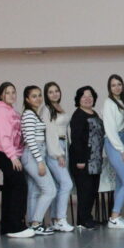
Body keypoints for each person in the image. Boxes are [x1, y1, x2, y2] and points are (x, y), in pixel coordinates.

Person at [0, 82, 34, 238]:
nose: (11, 95)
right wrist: (13, 157)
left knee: (10, 188)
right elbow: (3, 136)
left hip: (9, 152)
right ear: (1, 95)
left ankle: (7, 226)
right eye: (7, 92)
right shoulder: (1, 110)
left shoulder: (10, 110)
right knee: (19, 185)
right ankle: (16, 226)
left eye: (13, 92)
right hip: (5, 153)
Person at [20, 86, 58, 234]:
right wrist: (40, 161)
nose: (38, 98)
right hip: (33, 155)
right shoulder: (29, 114)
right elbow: (30, 140)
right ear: (27, 99)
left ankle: (33, 223)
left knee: (35, 190)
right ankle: (36, 223)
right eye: (34, 96)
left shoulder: (34, 114)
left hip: (35, 153)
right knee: (50, 190)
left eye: (39, 95)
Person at [40, 81, 75, 232]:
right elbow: (49, 133)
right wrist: (57, 153)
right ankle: (61, 219)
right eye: (51, 92)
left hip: (63, 145)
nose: (54, 94)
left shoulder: (59, 107)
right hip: (55, 149)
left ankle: (55, 219)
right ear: (46, 95)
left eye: (56, 91)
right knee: (67, 184)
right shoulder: (47, 109)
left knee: (59, 185)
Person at [101, 74, 124, 229]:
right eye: (113, 85)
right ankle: (113, 218)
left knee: (121, 182)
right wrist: (121, 149)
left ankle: (116, 215)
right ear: (109, 88)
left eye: (119, 84)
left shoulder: (122, 102)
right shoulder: (108, 103)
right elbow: (110, 129)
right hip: (115, 142)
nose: (117, 87)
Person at [69, 85, 104, 230]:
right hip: (83, 161)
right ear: (79, 99)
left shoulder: (94, 113)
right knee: (85, 191)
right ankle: (83, 220)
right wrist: (80, 160)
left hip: (95, 160)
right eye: (84, 96)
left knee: (92, 190)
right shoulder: (78, 115)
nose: (87, 99)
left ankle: (87, 218)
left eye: (90, 96)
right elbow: (76, 139)